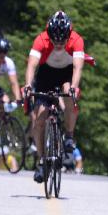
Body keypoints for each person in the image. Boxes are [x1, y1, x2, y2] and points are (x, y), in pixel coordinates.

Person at [23, 10, 85, 184]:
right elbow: (31, 65)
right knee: (39, 119)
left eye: (62, 41)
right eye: (54, 40)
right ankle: (42, 160)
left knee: (70, 98)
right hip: (45, 75)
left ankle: (69, 136)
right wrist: (28, 85)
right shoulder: (40, 39)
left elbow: (77, 68)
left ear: (69, 35)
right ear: (48, 35)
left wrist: (74, 87)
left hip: (66, 74)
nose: (58, 44)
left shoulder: (77, 40)